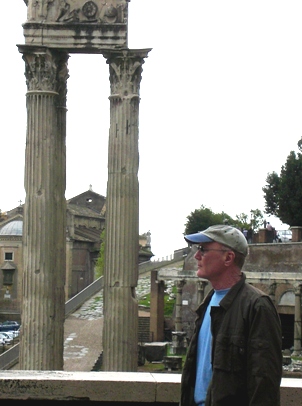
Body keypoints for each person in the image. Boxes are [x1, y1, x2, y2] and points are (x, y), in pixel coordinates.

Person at [180, 224, 283, 406]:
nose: (196, 256)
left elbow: (264, 385)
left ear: (228, 257)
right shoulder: (208, 302)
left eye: (203, 250)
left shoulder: (257, 306)